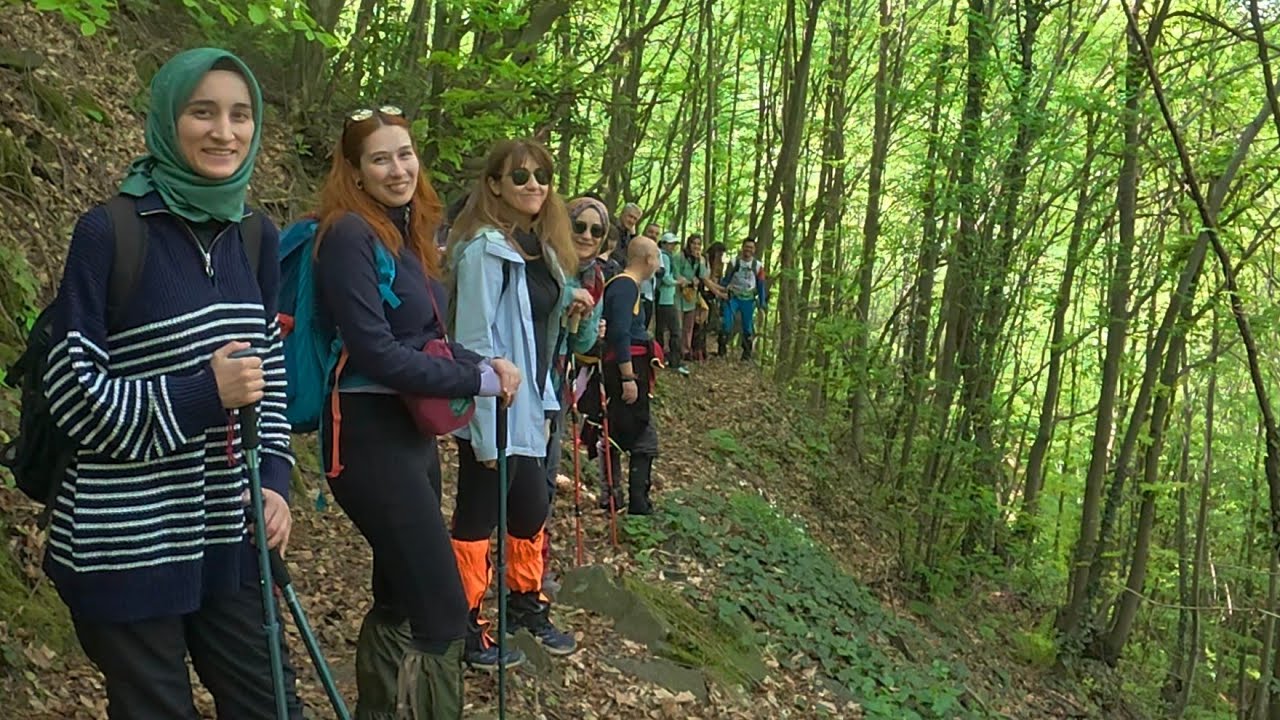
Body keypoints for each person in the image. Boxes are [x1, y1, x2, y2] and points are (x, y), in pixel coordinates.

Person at [40, 48, 305, 719]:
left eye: (240, 115)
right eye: (203, 112)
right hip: (126, 540)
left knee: (272, 706)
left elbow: (267, 374)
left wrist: (274, 477)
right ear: (167, 119)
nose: (224, 131)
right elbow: (73, 395)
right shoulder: (110, 233)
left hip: (229, 528)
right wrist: (199, 393)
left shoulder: (255, 235)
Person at [314, 106, 523, 717]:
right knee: (441, 613)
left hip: (407, 437)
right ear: (354, 169)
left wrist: (488, 363)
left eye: (404, 154)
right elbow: (377, 352)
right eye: (380, 158)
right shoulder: (349, 235)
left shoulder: (403, 235)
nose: (397, 167)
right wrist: (475, 376)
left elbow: (424, 333)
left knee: (401, 597)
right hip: (366, 440)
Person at [447, 138, 589, 660]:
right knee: (479, 511)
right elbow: (474, 339)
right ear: (494, 185)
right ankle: (464, 621)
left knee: (529, 505)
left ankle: (524, 602)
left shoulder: (541, 248)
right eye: (520, 176)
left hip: (531, 401)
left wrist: (567, 301)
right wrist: (484, 423)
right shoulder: (485, 249)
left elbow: (535, 329)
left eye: (542, 176)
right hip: (494, 402)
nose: (533, 185)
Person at [540, 196, 608, 588]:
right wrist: (566, 299)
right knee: (523, 480)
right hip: (528, 381)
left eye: (595, 231)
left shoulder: (593, 277)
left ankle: (534, 568)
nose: (586, 235)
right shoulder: (546, 264)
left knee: (546, 481)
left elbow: (582, 344)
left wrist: (584, 318)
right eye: (579, 226)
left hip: (559, 385)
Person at [584, 236, 663, 514]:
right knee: (640, 436)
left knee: (616, 431)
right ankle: (636, 503)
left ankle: (615, 497)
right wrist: (629, 377)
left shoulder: (626, 286)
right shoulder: (625, 286)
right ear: (648, 259)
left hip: (628, 367)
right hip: (625, 371)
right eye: (656, 257)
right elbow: (619, 333)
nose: (658, 263)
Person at [719, 238, 768, 360]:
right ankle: (721, 349)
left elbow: (761, 285)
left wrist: (762, 303)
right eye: (746, 247)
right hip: (733, 297)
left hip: (748, 300)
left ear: (754, 249)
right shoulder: (734, 262)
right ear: (742, 247)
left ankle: (746, 354)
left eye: (751, 247)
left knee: (747, 327)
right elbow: (726, 279)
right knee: (727, 323)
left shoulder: (758, 266)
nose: (748, 250)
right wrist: (720, 292)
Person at [671, 233, 714, 362]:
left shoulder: (699, 260)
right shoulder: (680, 257)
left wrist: (700, 262)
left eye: (699, 244)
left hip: (691, 297)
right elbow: (676, 274)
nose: (696, 246)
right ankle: (675, 350)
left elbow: (704, 277)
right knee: (677, 324)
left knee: (688, 326)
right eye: (694, 243)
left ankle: (686, 350)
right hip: (679, 295)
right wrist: (687, 281)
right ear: (689, 244)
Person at [654, 233, 687, 376]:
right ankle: (674, 361)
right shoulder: (665, 257)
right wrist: (678, 282)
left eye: (674, 244)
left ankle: (659, 358)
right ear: (664, 244)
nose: (673, 247)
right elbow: (666, 278)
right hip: (666, 299)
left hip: (661, 298)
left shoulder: (662, 256)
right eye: (670, 244)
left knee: (660, 329)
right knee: (675, 331)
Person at [696, 241, 728, 361]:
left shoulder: (715, 264)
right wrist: (719, 293)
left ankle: (701, 350)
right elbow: (705, 280)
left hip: (709, 294)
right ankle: (697, 350)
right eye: (719, 254)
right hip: (700, 293)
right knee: (700, 322)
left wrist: (721, 289)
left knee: (704, 323)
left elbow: (711, 281)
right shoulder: (703, 261)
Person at [638, 221, 661, 329]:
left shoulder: (658, 251)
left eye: (656, 234)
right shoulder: (637, 246)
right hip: (637, 293)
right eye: (651, 232)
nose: (653, 235)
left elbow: (662, 271)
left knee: (645, 326)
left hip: (650, 295)